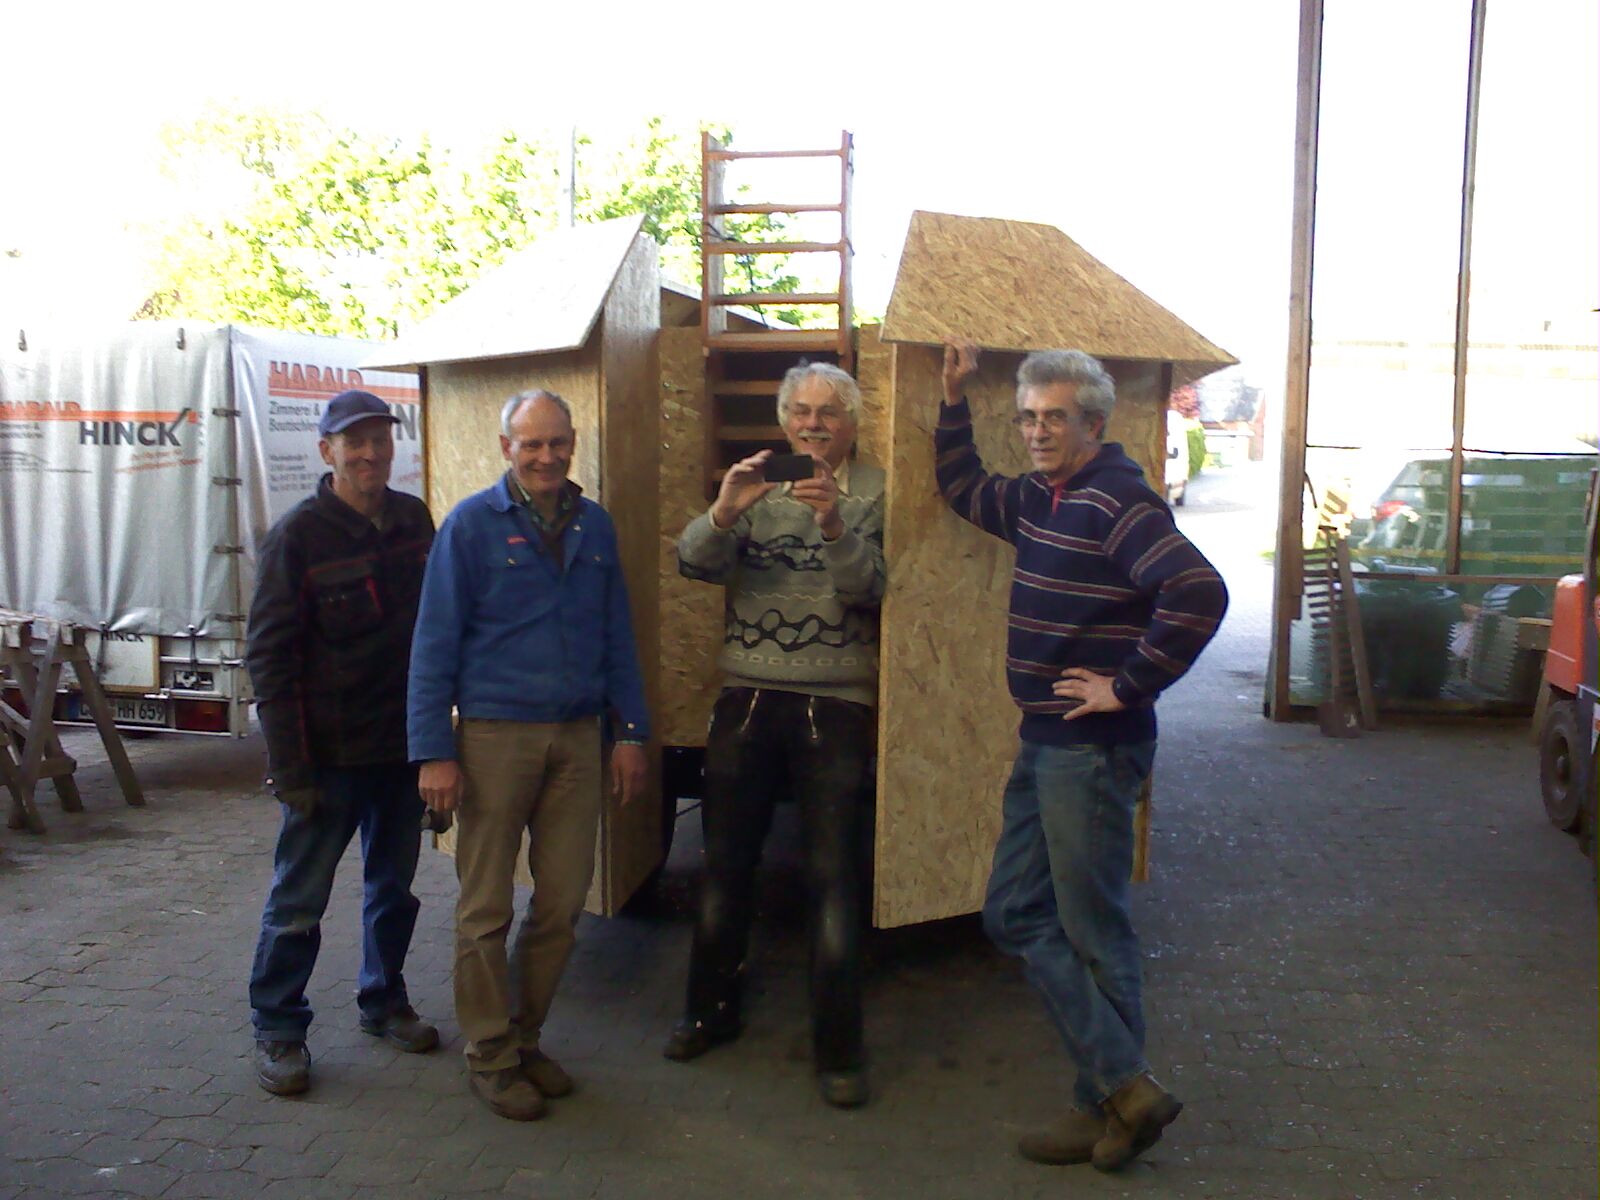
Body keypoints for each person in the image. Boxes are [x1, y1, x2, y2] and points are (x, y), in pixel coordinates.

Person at [937, 341, 1227, 1170]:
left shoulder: (1116, 500)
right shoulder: (1041, 498)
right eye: (1028, 418)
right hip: (1046, 738)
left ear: (1093, 423)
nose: (1037, 431)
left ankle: (1108, 1105)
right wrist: (953, 401)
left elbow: (1199, 592)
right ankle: (1121, 1091)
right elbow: (963, 487)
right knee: (1015, 912)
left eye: (1054, 418)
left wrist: (1127, 685)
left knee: (1095, 930)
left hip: (1093, 750)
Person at [407, 389, 650, 1122]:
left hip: (577, 737)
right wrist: (434, 752)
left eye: (557, 443)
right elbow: (433, 643)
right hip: (493, 739)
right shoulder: (471, 526)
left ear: (573, 443)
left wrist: (631, 733)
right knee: (485, 907)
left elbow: (617, 636)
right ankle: (488, 1055)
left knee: (563, 901)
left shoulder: (594, 524)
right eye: (531, 444)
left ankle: (523, 1036)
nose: (546, 457)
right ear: (506, 447)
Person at [664, 361, 886, 1108]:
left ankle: (839, 1049)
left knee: (833, 875)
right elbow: (693, 563)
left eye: (829, 412)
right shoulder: (754, 486)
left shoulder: (876, 491)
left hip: (836, 698)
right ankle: (708, 1012)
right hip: (749, 694)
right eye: (801, 411)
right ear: (784, 420)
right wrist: (724, 510)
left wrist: (833, 524)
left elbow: (869, 589)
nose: (813, 424)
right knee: (725, 863)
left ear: (852, 422)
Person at [247, 388, 439, 1097]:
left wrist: (439, 741)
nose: (370, 454)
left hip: (400, 753)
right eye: (354, 442)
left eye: (380, 441)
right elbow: (269, 658)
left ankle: (383, 1001)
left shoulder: (413, 520)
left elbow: (436, 631)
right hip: (326, 761)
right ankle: (278, 1027)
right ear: (327, 450)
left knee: (394, 890)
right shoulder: (296, 537)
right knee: (298, 901)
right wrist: (289, 766)